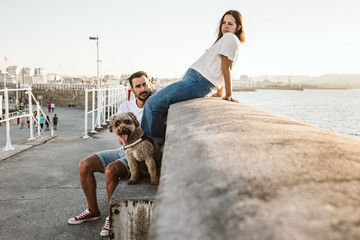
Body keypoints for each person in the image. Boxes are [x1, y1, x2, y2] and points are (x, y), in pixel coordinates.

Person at [67, 71, 154, 237]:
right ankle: (93, 211)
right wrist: (124, 137)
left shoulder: (157, 105)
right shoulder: (126, 107)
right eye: (138, 86)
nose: (142, 89)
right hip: (124, 149)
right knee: (84, 165)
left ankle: (110, 216)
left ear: (150, 83)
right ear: (132, 89)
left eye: (145, 84)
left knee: (111, 170)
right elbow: (120, 138)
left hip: (140, 154)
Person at [141, 10, 246, 144]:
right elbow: (218, 66)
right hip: (196, 79)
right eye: (223, 22)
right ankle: (150, 143)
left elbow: (227, 67)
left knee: (152, 103)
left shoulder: (230, 38)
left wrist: (228, 94)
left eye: (230, 24)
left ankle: (151, 145)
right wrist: (219, 92)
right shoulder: (226, 39)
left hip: (198, 80)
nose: (225, 26)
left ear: (238, 27)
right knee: (158, 106)